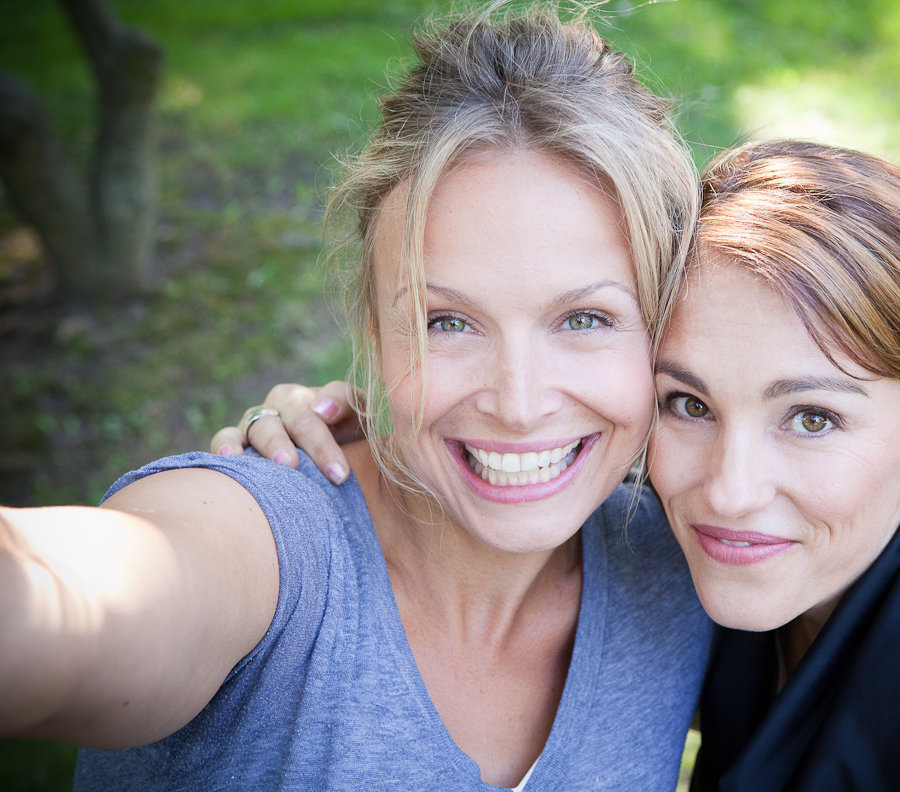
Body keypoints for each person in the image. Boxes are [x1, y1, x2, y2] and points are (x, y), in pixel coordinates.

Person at [229, 140, 900, 790]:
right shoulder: (730, 563)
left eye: (811, 418)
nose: (727, 490)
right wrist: (406, 419)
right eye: (688, 403)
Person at [0, 5, 715, 790]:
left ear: (665, 330)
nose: (517, 404)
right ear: (374, 336)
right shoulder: (273, 553)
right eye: (446, 322)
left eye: (584, 319)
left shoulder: (684, 566)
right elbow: (75, 599)